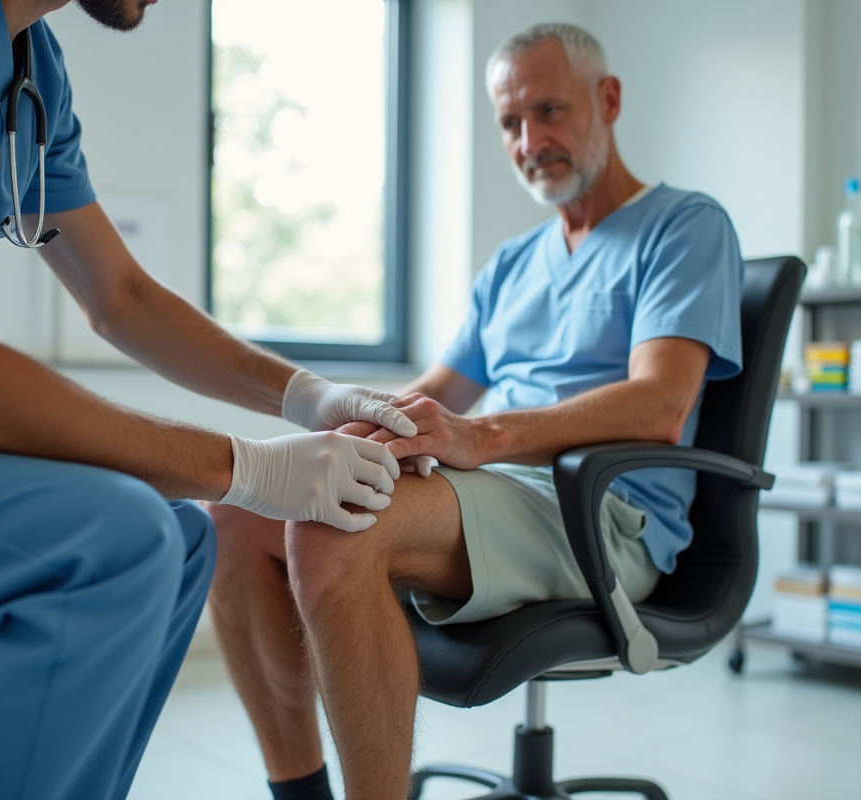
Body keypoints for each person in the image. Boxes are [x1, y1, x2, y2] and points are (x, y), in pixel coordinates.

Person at [0, 1, 417, 798]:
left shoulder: (30, 68)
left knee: (181, 544)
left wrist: (307, 395)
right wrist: (245, 467)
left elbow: (121, 296)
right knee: (111, 546)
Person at [207, 22, 745, 800]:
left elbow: (662, 403)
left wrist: (480, 436)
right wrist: (352, 431)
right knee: (237, 515)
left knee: (333, 529)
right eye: (509, 122)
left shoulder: (682, 226)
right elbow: (433, 396)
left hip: (601, 513)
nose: (530, 142)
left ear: (608, 100)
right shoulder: (513, 265)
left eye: (549, 111)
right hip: (497, 492)